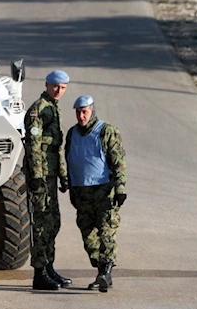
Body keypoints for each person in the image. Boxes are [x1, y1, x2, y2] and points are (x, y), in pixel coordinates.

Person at [65, 95, 127, 293]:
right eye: (78, 112)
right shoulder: (72, 134)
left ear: (92, 111)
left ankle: (106, 272)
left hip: (104, 192)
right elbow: (69, 161)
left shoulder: (107, 131)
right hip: (82, 193)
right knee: (88, 236)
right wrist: (71, 188)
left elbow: (118, 161)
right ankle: (101, 272)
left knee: (106, 232)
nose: (81, 116)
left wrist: (120, 189)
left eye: (85, 112)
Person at [23, 70, 72, 290]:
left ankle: (49, 267)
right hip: (41, 177)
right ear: (47, 85)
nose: (58, 90)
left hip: (50, 175)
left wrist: (62, 175)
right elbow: (34, 146)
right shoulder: (38, 110)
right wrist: (36, 176)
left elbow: (56, 148)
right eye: (55, 86)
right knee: (41, 224)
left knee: (53, 222)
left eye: (62, 87)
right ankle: (39, 272)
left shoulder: (54, 108)